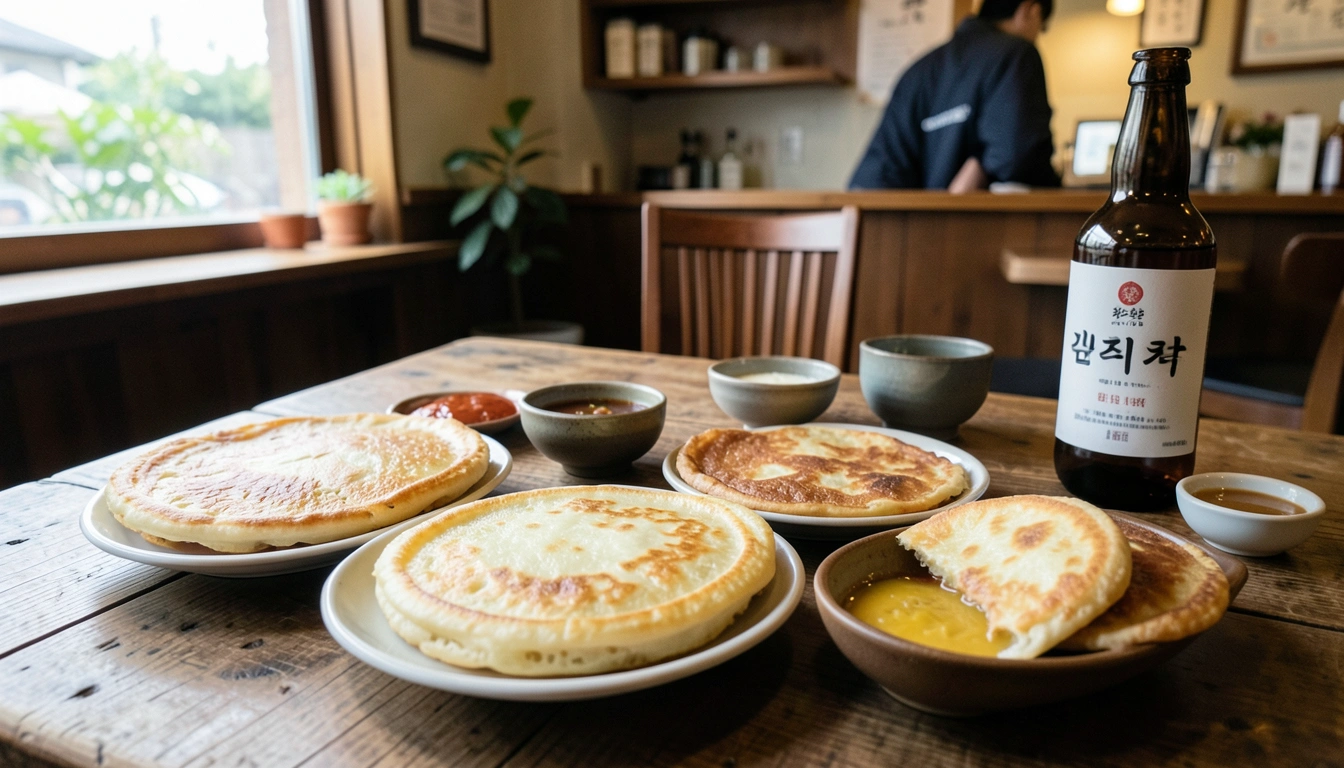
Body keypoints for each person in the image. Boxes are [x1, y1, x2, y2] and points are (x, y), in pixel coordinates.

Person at [849, 0, 1061, 192]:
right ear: (1031, 11)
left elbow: (873, 177)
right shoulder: (1017, 54)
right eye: (1042, 28)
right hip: (983, 228)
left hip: (907, 229)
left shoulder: (918, 71)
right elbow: (1018, 159)